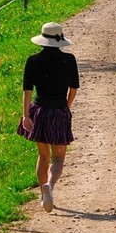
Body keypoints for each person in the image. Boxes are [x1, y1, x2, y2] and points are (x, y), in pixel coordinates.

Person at [17, 21, 79, 212]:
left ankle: (44, 194)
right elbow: (73, 89)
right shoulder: (69, 60)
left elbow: (27, 91)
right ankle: (50, 186)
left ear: (42, 40)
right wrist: (66, 107)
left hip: (40, 111)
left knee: (43, 155)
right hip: (59, 110)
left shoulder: (33, 60)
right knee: (58, 158)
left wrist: (26, 115)